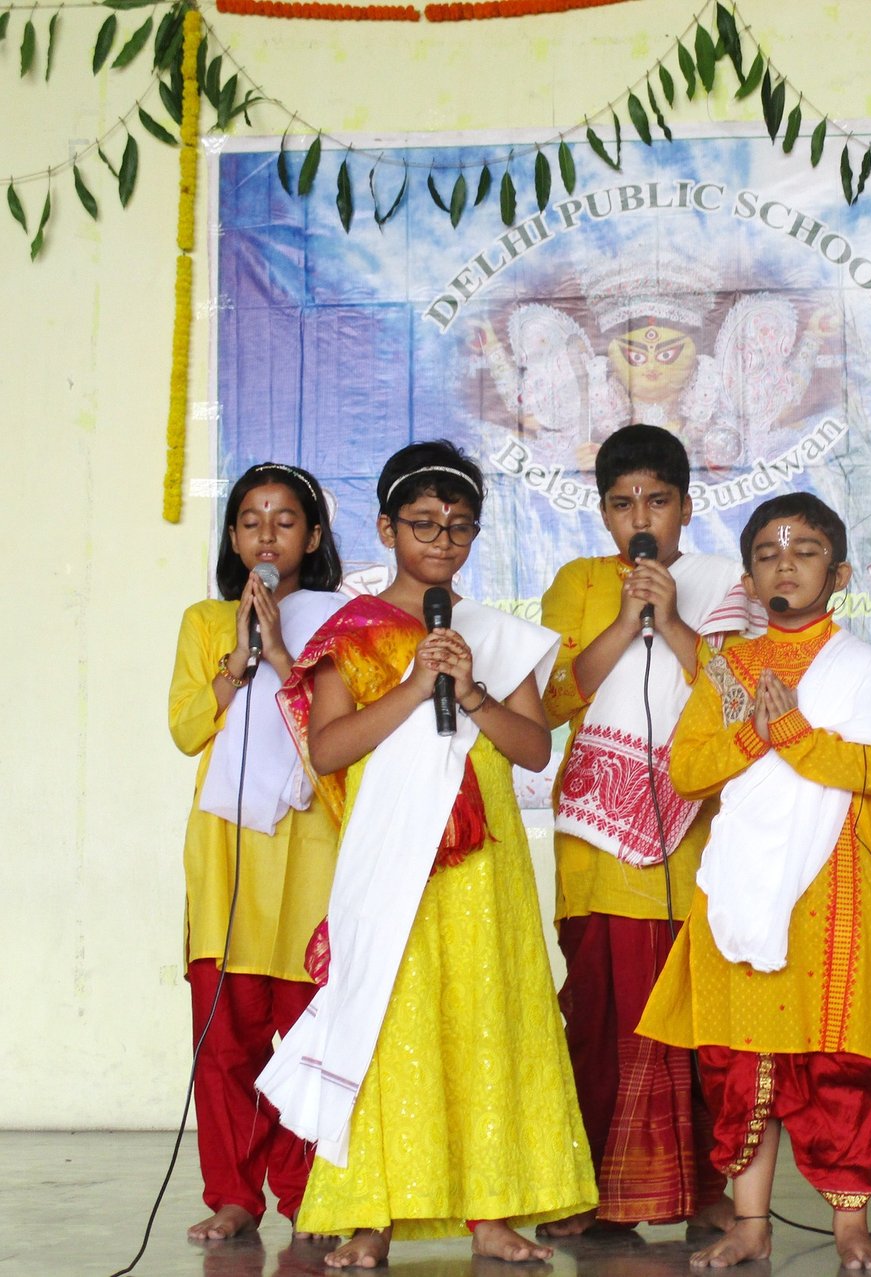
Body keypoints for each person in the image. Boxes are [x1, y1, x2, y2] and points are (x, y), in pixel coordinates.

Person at [256, 441, 595, 1268]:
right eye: (424, 523)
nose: (443, 540)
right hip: (392, 857)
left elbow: (534, 750)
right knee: (387, 1020)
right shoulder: (350, 634)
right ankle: (369, 1214)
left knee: (487, 1020)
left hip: (484, 864)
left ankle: (492, 1211)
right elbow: (328, 749)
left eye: (459, 525)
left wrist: (470, 690)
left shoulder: (494, 635)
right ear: (386, 529)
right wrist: (414, 686)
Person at [637, 493, 871, 1271]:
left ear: (840, 573)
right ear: (749, 580)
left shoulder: (860, 668)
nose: (784, 564)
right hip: (740, 884)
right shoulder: (727, 668)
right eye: (767, 553)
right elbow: (688, 770)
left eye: (803, 551)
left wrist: (794, 735)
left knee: (839, 1060)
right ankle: (751, 1223)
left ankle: (850, 1227)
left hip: (833, 887)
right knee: (740, 1059)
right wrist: (753, 734)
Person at [540, 424, 743, 1234]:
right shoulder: (581, 582)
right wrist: (627, 620)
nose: (640, 517)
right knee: (598, 1021)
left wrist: (675, 618)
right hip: (594, 844)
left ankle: (707, 1194)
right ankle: (598, 1195)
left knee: (693, 1023)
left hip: (690, 839)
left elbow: (736, 696)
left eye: (656, 500)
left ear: (686, 507)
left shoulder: (723, 585)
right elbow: (552, 697)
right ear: (603, 512)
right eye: (623, 503)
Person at [170, 462, 346, 1243]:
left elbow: (342, 741)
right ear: (234, 537)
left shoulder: (340, 624)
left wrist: (281, 653)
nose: (266, 535)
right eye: (250, 520)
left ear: (313, 535)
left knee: (310, 1041)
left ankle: (311, 1197)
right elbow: (185, 729)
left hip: (312, 857)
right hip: (228, 861)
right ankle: (234, 1196)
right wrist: (238, 657)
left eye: (284, 520)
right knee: (226, 1042)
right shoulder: (206, 621)